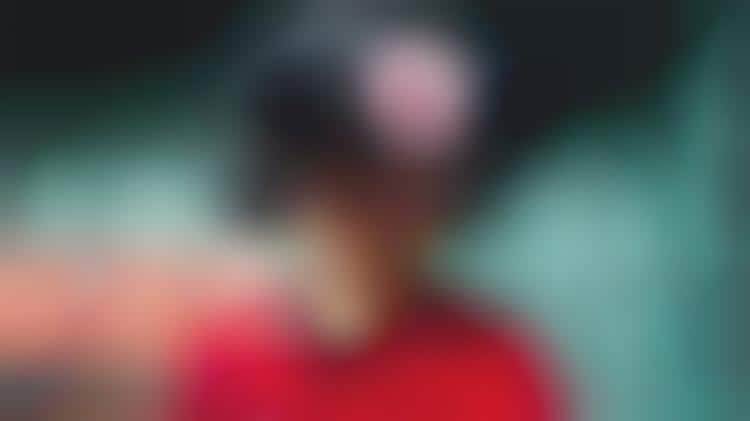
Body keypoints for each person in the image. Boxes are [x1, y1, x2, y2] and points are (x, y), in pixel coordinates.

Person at [173, 15, 568, 421]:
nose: (388, 212)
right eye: (355, 180)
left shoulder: (492, 365)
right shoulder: (233, 358)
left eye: (415, 186)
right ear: (301, 179)